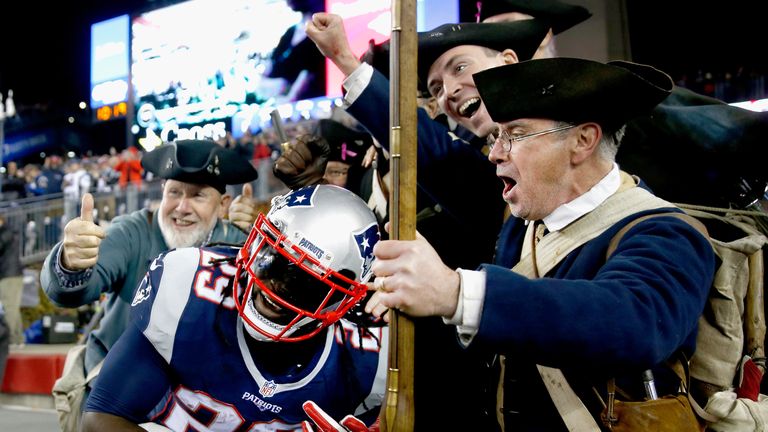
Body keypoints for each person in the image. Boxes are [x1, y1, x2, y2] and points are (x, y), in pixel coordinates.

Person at [364, 58, 716, 430]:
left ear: (582, 141)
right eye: (495, 136)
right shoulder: (523, 223)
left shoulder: (668, 233)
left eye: (514, 134)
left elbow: (634, 322)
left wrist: (455, 292)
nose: (497, 152)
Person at [307, 14, 549, 430]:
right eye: (436, 87)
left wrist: (345, 60)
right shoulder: (480, 170)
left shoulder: (620, 146)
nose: (450, 91)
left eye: (460, 68)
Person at [81, 184, 386, 431]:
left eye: (305, 283)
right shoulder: (188, 287)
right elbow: (101, 418)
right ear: (256, 241)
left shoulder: (368, 358)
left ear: (345, 299)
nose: (276, 286)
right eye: (272, 259)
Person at [475, 0, 768, 210]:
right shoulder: (496, 141)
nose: (500, 47)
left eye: (505, 31)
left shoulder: (610, 97)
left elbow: (739, 132)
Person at [41, 140, 259, 401]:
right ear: (162, 191)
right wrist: (70, 262)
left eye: (198, 195)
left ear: (223, 204)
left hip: (200, 403)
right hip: (116, 394)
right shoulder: (133, 231)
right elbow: (72, 291)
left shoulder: (239, 246)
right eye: (175, 193)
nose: (182, 207)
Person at [0, 214, 24, 346]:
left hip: (10, 274)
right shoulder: (8, 231)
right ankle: (18, 339)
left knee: (9, 307)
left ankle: (7, 340)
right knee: (13, 307)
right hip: (10, 274)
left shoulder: (6, 232)